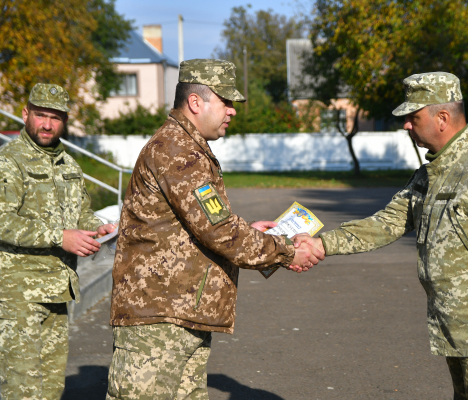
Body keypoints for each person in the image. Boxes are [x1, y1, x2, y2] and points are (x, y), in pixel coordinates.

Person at [294, 72, 468, 399]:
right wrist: (321, 243)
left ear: (442, 118)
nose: (406, 126)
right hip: (457, 333)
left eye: (413, 117)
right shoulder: (430, 175)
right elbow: (387, 222)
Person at [106, 59, 323, 400]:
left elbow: (196, 227)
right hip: (158, 321)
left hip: (180, 315)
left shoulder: (187, 147)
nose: (233, 111)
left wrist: (250, 231)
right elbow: (220, 231)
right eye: (226, 101)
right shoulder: (176, 150)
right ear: (195, 102)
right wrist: (287, 249)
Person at [0, 83, 116, 400]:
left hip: (57, 291)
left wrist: (98, 227)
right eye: (40, 115)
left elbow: (80, 211)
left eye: (55, 117)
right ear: (26, 114)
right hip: (19, 296)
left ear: (65, 121)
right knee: (22, 390)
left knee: (50, 390)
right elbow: (1, 220)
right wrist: (59, 237)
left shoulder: (68, 164)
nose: (47, 124)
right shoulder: (9, 162)